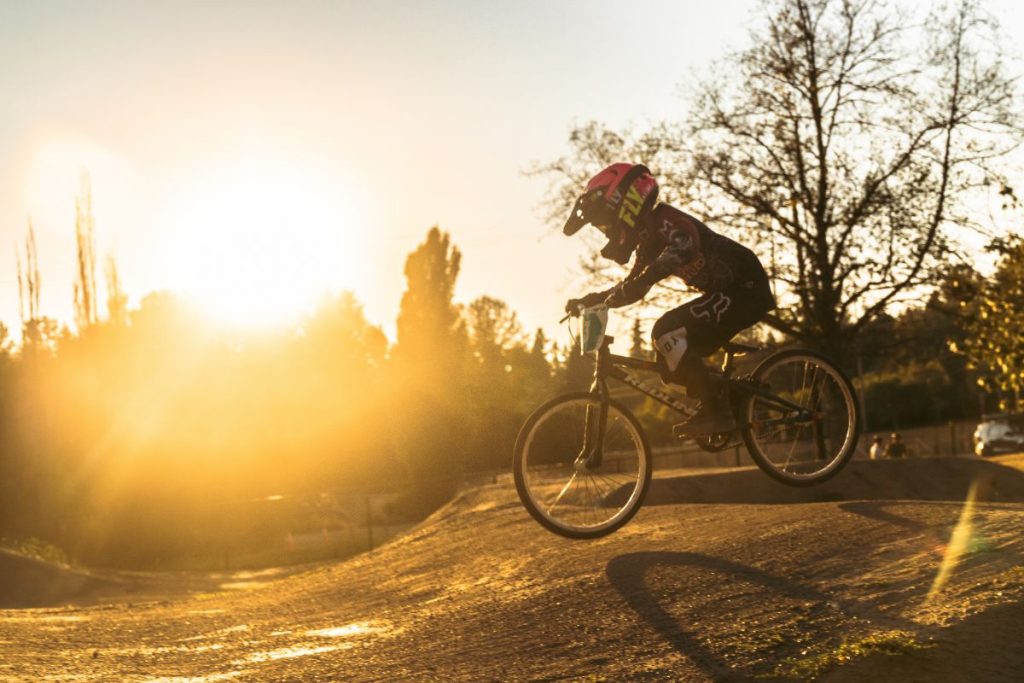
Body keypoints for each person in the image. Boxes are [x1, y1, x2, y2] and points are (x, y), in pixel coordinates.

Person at [563, 162, 776, 435]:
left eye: (603, 223)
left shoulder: (662, 219)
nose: (605, 231)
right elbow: (634, 287)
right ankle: (734, 396)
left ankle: (717, 411)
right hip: (732, 293)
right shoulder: (649, 240)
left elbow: (685, 245)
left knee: (665, 330)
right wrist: (593, 299)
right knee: (669, 363)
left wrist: (645, 278)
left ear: (624, 206)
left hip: (745, 289)